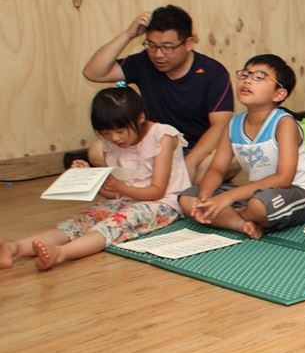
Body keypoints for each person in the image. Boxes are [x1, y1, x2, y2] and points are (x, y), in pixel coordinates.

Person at [2, 85, 190, 271]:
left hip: (163, 203)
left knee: (115, 224)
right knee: (81, 220)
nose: (114, 138)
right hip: (127, 198)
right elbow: (112, 194)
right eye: (106, 133)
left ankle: (61, 253)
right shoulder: (111, 144)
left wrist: (121, 188)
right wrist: (90, 178)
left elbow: (157, 192)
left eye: (120, 131)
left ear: (140, 117)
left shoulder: (162, 136)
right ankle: (15, 248)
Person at [81, 4, 234, 180]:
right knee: (96, 151)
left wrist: (190, 162)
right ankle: (150, 180)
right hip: (156, 147)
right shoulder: (144, 62)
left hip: (200, 150)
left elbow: (220, 126)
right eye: (151, 45)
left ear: (188, 43)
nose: (158, 55)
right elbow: (93, 72)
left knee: (224, 162)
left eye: (167, 47)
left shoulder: (213, 72)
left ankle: (149, 180)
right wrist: (128, 35)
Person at [180, 54, 305, 239]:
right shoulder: (233, 124)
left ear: (279, 94)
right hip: (256, 191)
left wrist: (227, 198)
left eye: (259, 77)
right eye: (245, 74)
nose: (248, 80)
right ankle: (241, 224)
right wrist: (205, 199)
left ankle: (234, 214)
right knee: (188, 198)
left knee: (259, 206)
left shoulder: (284, 123)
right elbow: (217, 169)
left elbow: (284, 179)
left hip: (298, 193)